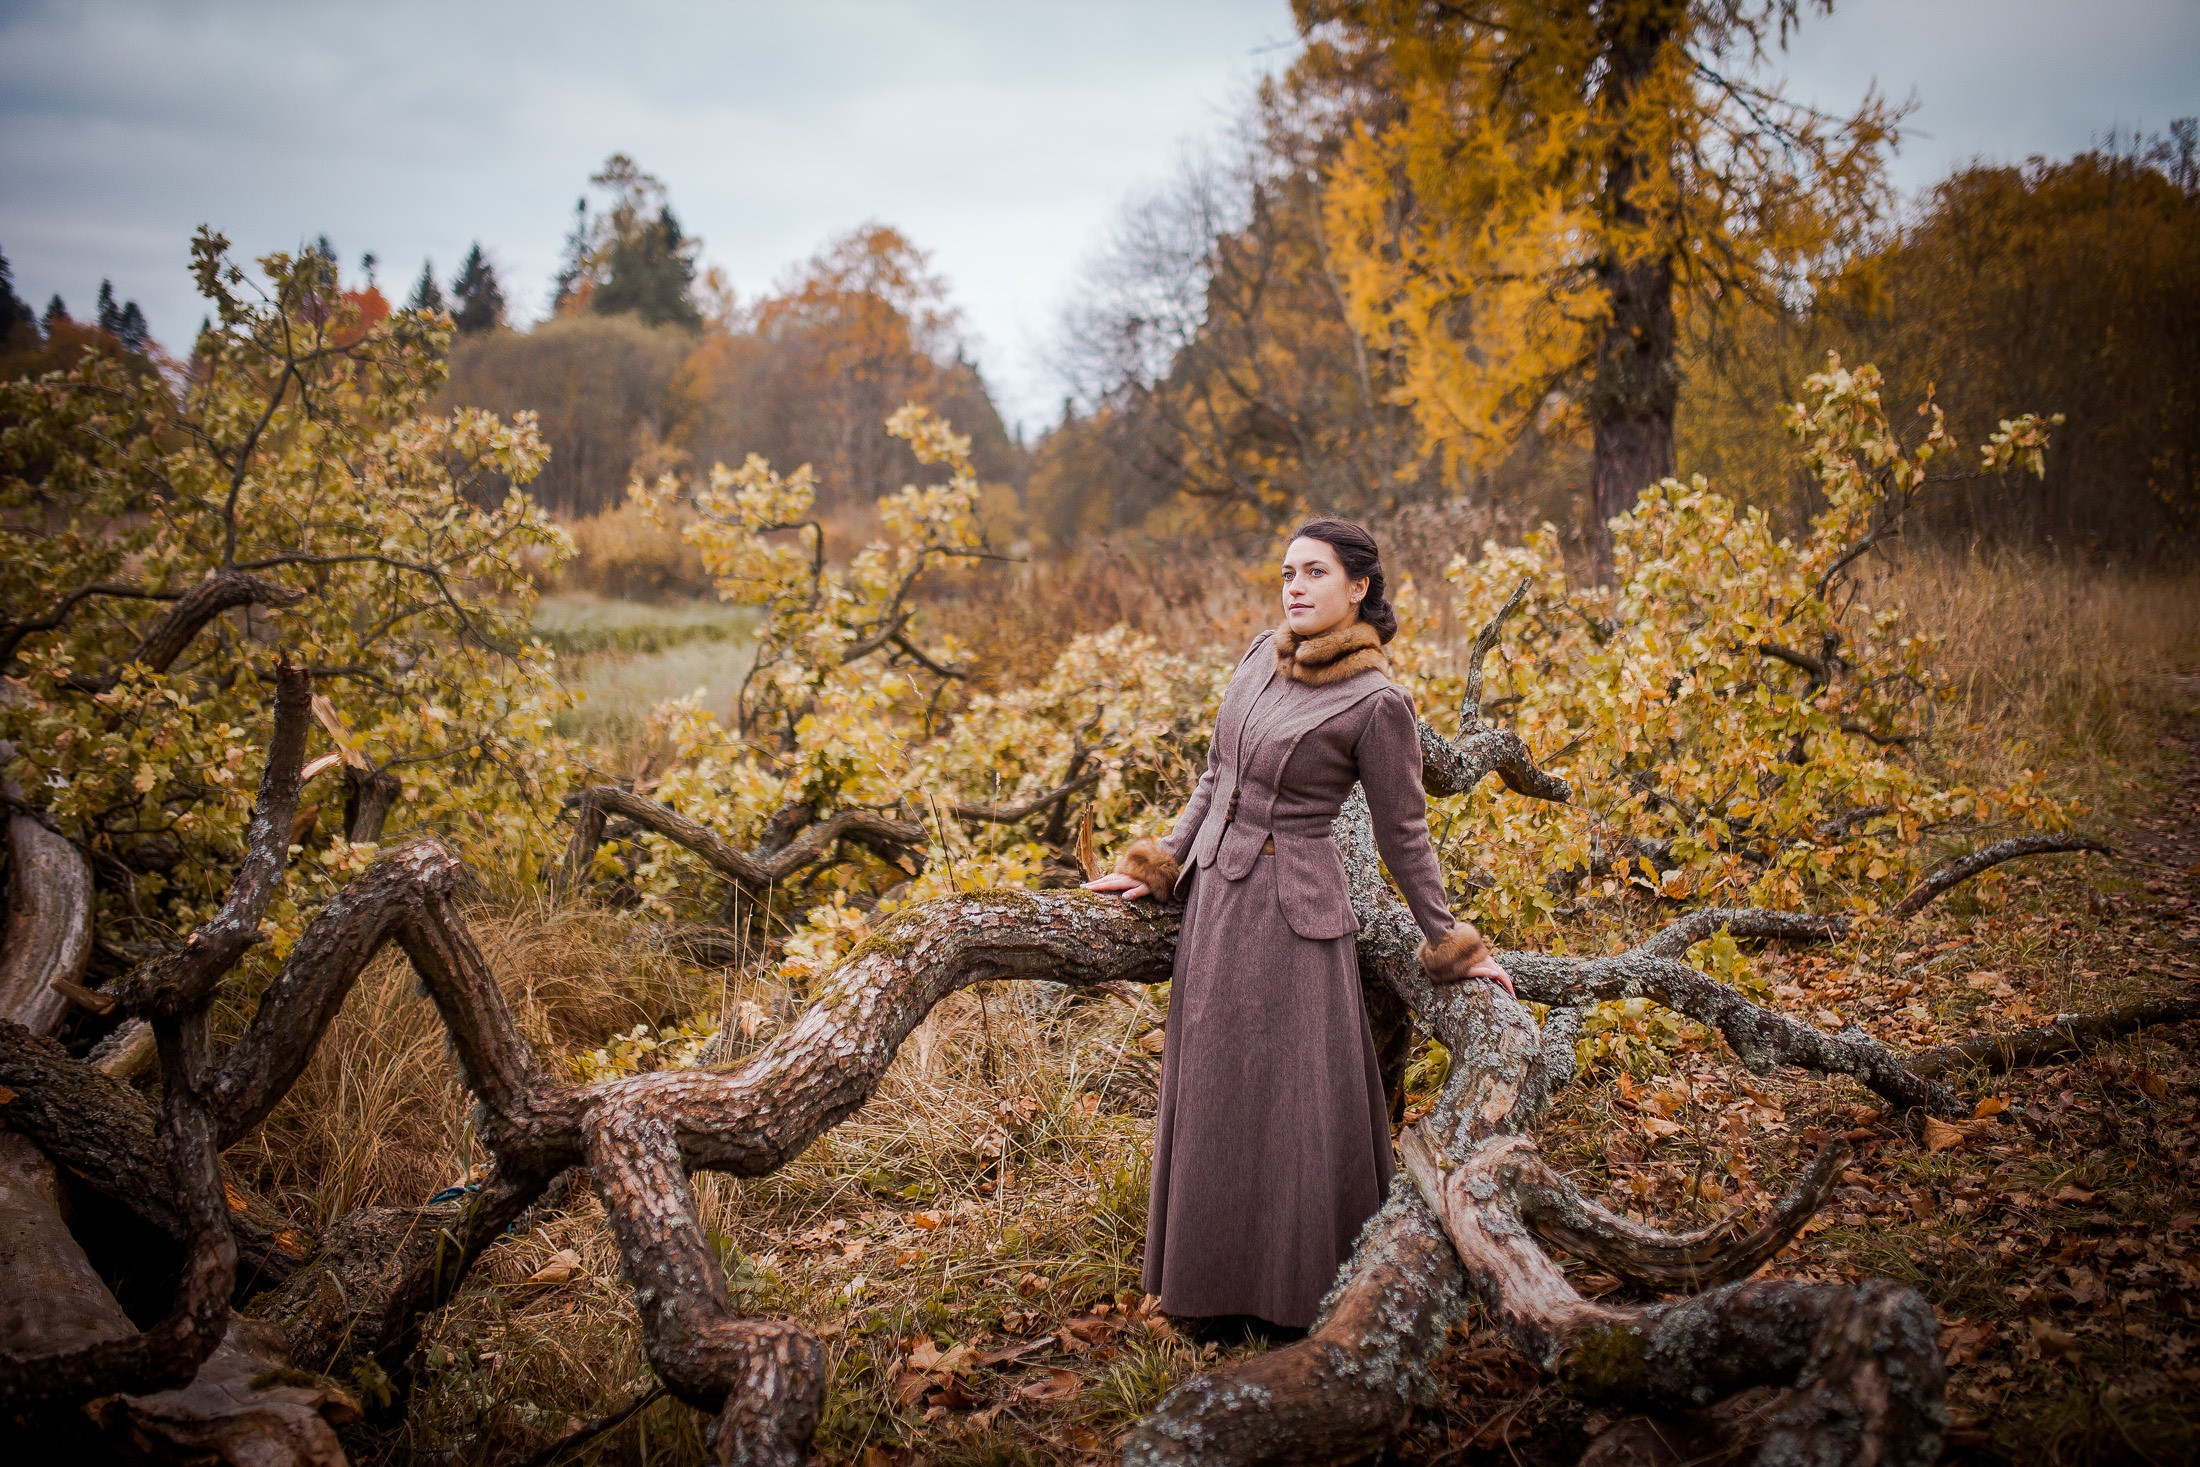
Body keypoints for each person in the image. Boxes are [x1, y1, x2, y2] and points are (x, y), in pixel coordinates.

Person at [1083, 517, 1512, 1337]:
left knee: (1289, 1102)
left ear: (1359, 588)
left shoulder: (1378, 701)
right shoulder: (1258, 655)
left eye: (1314, 573)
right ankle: (1204, 1296)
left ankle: (1293, 1304)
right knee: (1214, 1089)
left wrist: (1453, 943)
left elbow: (1404, 832)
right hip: (1215, 902)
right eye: (1287, 572)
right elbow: (1216, 775)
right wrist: (1158, 862)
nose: (1294, 587)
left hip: (1295, 920)